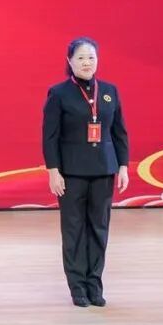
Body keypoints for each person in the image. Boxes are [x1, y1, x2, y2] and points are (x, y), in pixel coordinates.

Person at [42, 37, 129, 308]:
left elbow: (119, 132)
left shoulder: (110, 92)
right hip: (71, 173)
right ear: (69, 61)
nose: (86, 63)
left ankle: (94, 284)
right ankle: (77, 286)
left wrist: (123, 166)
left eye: (91, 57)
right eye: (80, 57)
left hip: (104, 169)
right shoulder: (59, 94)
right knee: (74, 230)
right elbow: (50, 136)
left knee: (99, 228)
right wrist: (53, 171)